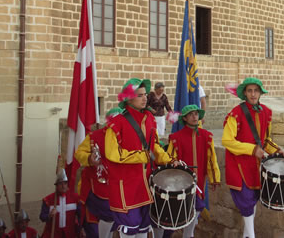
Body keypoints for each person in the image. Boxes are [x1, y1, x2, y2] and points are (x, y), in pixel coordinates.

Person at [105, 78, 178, 238]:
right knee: (129, 230)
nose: (145, 98)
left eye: (145, 94)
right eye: (139, 95)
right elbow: (112, 154)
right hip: (126, 185)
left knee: (143, 231)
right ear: (128, 98)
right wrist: (140, 156)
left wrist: (169, 160)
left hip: (145, 184)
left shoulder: (150, 119)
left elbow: (155, 147)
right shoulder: (117, 123)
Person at [222, 77, 284, 238]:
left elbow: (265, 141)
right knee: (246, 200)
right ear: (245, 93)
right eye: (249, 90)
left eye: (256, 90)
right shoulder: (235, 114)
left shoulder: (266, 112)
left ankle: (246, 235)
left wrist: (276, 151)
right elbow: (227, 141)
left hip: (255, 165)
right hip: (239, 164)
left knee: (253, 200)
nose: (253, 94)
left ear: (260, 93)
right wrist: (252, 149)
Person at [153, 105, 221, 238]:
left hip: (199, 182)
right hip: (180, 185)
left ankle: (188, 235)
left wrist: (214, 178)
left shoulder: (207, 137)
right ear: (184, 118)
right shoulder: (176, 138)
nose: (195, 117)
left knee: (195, 213)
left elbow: (211, 159)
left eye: (196, 114)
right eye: (191, 114)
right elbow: (171, 162)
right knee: (175, 216)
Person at [75, 109, 123, 238]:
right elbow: (79, 153)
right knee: (107, 215)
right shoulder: (94, 137)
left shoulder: (127, 137)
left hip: (119, 184)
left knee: (116, 218)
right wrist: (90, 158)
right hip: (98, 184)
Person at [40, 169, 80, 238]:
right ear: (56, 185)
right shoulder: (48, 200)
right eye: (61, 183)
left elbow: (81, 215)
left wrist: (82, 228)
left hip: (70, 234)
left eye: (65, 183)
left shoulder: (75, 198)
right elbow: (42, 217)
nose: (63, 186)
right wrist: (49, 215)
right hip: (54, 234)